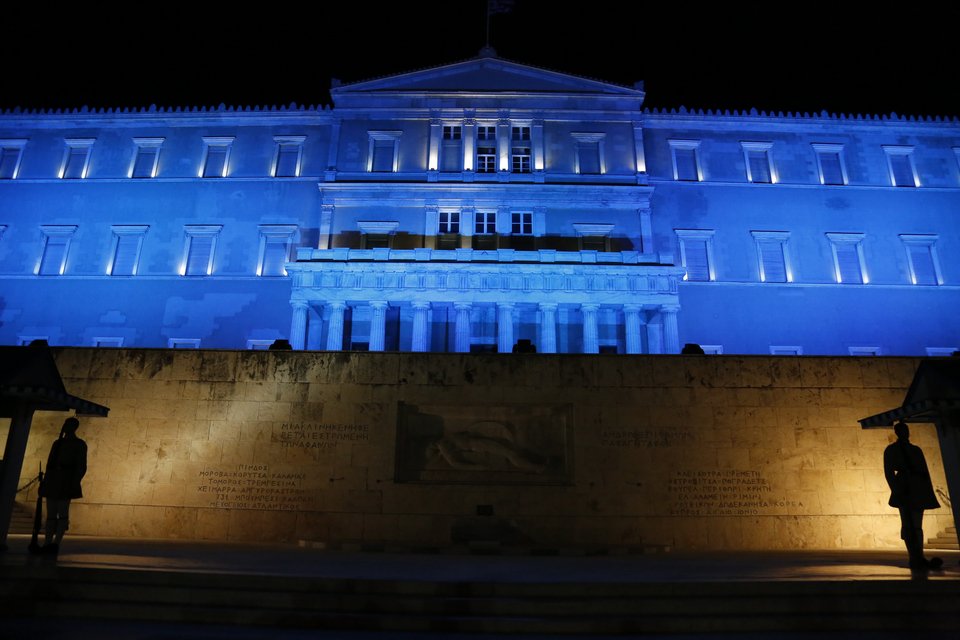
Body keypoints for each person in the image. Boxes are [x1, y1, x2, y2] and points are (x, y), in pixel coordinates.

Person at [883, 421, 942, 570]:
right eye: (903, 430)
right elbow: (889, 473)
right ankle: (913, 558)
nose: (905, 433)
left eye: (906, 430)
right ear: (897, 432)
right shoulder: (892, 450)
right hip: (903, 489)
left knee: (916, 527)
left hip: (917, 490)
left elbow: (924, 473)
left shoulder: (915, 450)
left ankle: (919, 557)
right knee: (908, 526)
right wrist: (896, 490)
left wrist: (926, 494)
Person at [39, 417, 87, 554]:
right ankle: (47, 542)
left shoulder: (79, 444)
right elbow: (50, 465)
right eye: (66, 424)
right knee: (51, 514)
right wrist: (46, 482)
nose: (66, 427)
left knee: (62, 514)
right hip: (54, 480)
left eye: (69, 425)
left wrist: (74, 482)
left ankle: (56, 543)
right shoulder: (57, 443)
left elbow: (81, 466)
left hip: (66, 481)